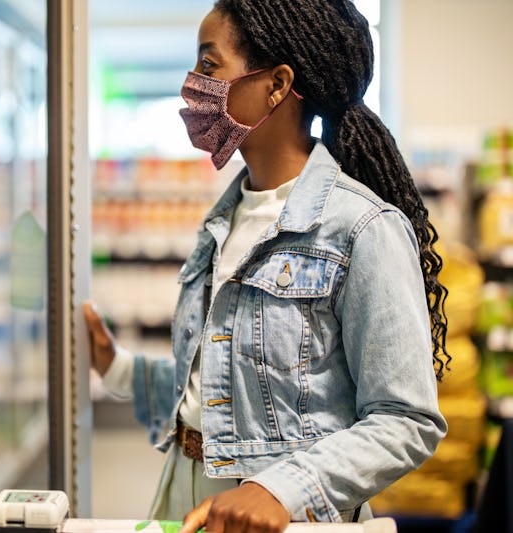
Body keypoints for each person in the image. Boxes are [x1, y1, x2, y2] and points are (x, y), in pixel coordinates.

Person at [84, 1, 449, 531]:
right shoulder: (222, 221)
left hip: (283, 516)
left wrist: (280, 490)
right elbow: (227, 384)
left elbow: (406, 419)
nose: (192, 86)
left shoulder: (361, 227)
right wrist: (115, 366)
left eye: (209, 66)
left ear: (277, 85)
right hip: (182, 496)